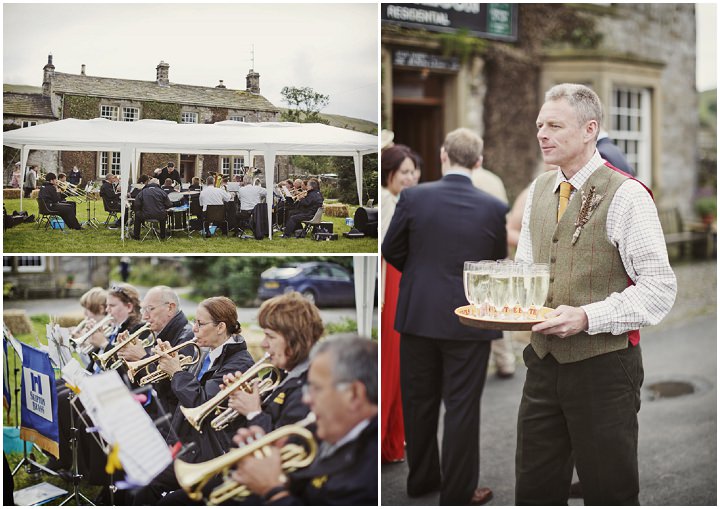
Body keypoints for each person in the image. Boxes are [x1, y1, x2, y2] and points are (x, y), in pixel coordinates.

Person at [515, 83, 677, 505]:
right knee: (534, 490)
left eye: (554, 125)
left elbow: (660, 288)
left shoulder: (627, 195)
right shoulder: (538, 190)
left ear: (590, 129)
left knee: (610, 492)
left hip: (604, 369)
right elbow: (525, 271)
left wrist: (587, 317)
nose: (542, 134)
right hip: (542, 363)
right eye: (539, 124)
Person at [382, 127, 507, 506]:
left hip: (418, 315)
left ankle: (421, 481)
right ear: (479, 162)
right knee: (462, 408)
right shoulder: (493, 206)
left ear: (442, 156)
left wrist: (421, 277)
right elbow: (496, 262)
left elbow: (391, 249)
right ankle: (457, 493)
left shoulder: (413, 198)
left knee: (419, 403)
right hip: (471, 319)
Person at [158, 291, 324, 505]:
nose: (263, 344)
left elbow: (284, 447)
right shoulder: (282, 375)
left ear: (294, 338)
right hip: (223, 459)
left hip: (267, 486)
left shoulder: (307, 386)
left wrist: (253, 411)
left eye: (270, 336)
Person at [132, 296, 255, 504]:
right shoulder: (206, 353)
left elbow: (204, 403)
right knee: (142, 483)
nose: (194, 328)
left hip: (209, 453)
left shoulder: (239, 363)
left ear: (220, 327)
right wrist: (162, 364)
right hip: (187, 443)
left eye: (200, 323)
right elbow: (178, 395)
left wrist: (177, 373)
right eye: (194, 322)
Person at [230, 334, 378, 505]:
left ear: (353, 394)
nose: (307, 399)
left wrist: (273, 491)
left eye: (316, 388)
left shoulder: (369, 473)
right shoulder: (328, 432)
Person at [379, 144, 418, 464]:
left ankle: (392, 440)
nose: (411, 178)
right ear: (389, 173)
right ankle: (386, 441)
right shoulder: (389, 203)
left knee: (397, 365)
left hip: (399, 284)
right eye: (404, 172)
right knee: (390, 363)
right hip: (388, 284)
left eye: (412, 172)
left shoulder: (402, 201)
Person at [117, 285, 195, 418]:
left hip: (169, 415)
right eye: (143, 310)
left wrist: (141, 358)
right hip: (155, 408)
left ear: (170, 307)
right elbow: (142, 382)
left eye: (150, 309)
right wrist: (128, 358)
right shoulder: (157, 333)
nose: (145, 317)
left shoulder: (187, 337)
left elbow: (169, 390)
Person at [470, 165, 517, 379]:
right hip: (495, 247)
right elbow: (503, 215)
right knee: (498, 306)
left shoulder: (468, 179)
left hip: (475, 252)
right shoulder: (494, 179)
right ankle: (505, 359)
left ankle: (481, 359)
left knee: (477, 305)